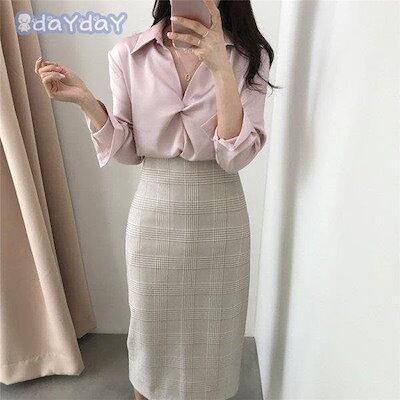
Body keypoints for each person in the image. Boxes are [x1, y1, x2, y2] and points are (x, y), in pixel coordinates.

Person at [34, 0, 275, 399]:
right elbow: (128, 150)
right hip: (155, 211)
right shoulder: (128, 54)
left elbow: (235, 157)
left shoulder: (251, 57)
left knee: (215, 332)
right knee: (151, 332)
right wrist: (86, 102)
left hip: (221, 213)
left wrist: (220, 67)